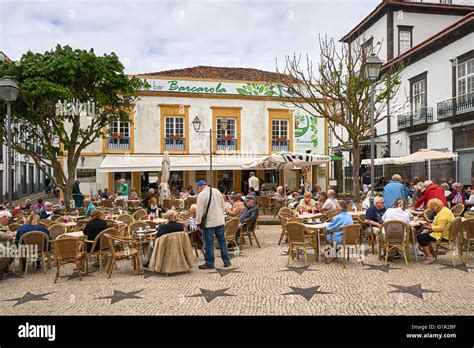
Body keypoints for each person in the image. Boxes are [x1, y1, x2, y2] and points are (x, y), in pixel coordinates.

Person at [195, 179, 231, 269]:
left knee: (209, 243)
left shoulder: (202, 195)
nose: (198, 190)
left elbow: (199, 211)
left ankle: (210, 263)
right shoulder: (217, 191)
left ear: (200, 187)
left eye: (198, 188)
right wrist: (221, 215)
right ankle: (227, 261)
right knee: (222, 241)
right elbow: (223, 205)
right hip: (220, 221)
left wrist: (198, 222)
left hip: (209, 222)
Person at [417, 198, 455, 264]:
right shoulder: (445, 209)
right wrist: (430, 226)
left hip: (444, 234)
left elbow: (440, 228)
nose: (432, 210)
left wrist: (429, 227)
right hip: (448, 232)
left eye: (432, 209)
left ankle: (429, 256)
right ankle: (431, 252)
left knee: (421, 237)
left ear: (436, 207)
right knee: (423, 234)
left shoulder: (443, 214)